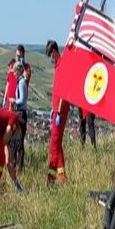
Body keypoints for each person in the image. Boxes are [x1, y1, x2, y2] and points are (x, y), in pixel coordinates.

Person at [46, 40, 70, 185]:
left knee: (53, 145)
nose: (50, 58)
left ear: (54, 51)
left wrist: (59, 113)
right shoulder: (58, 66)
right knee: (58, 144)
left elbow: (62, 93)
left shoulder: (61, 67)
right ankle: (62, 177)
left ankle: (51, 178)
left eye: (50, 54)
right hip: (56, 111)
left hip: (59, 112)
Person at [9, 61, 28, 171]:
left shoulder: (21, 83)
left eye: (15, 72)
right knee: (17, 141)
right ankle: (16, 165)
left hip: (21, 113)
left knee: (19, 141)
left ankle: (19, 166)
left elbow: (22, 99)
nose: (14, 74)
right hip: (19, 113)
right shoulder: (21, 82)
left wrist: (14, 101)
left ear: (19, 71)